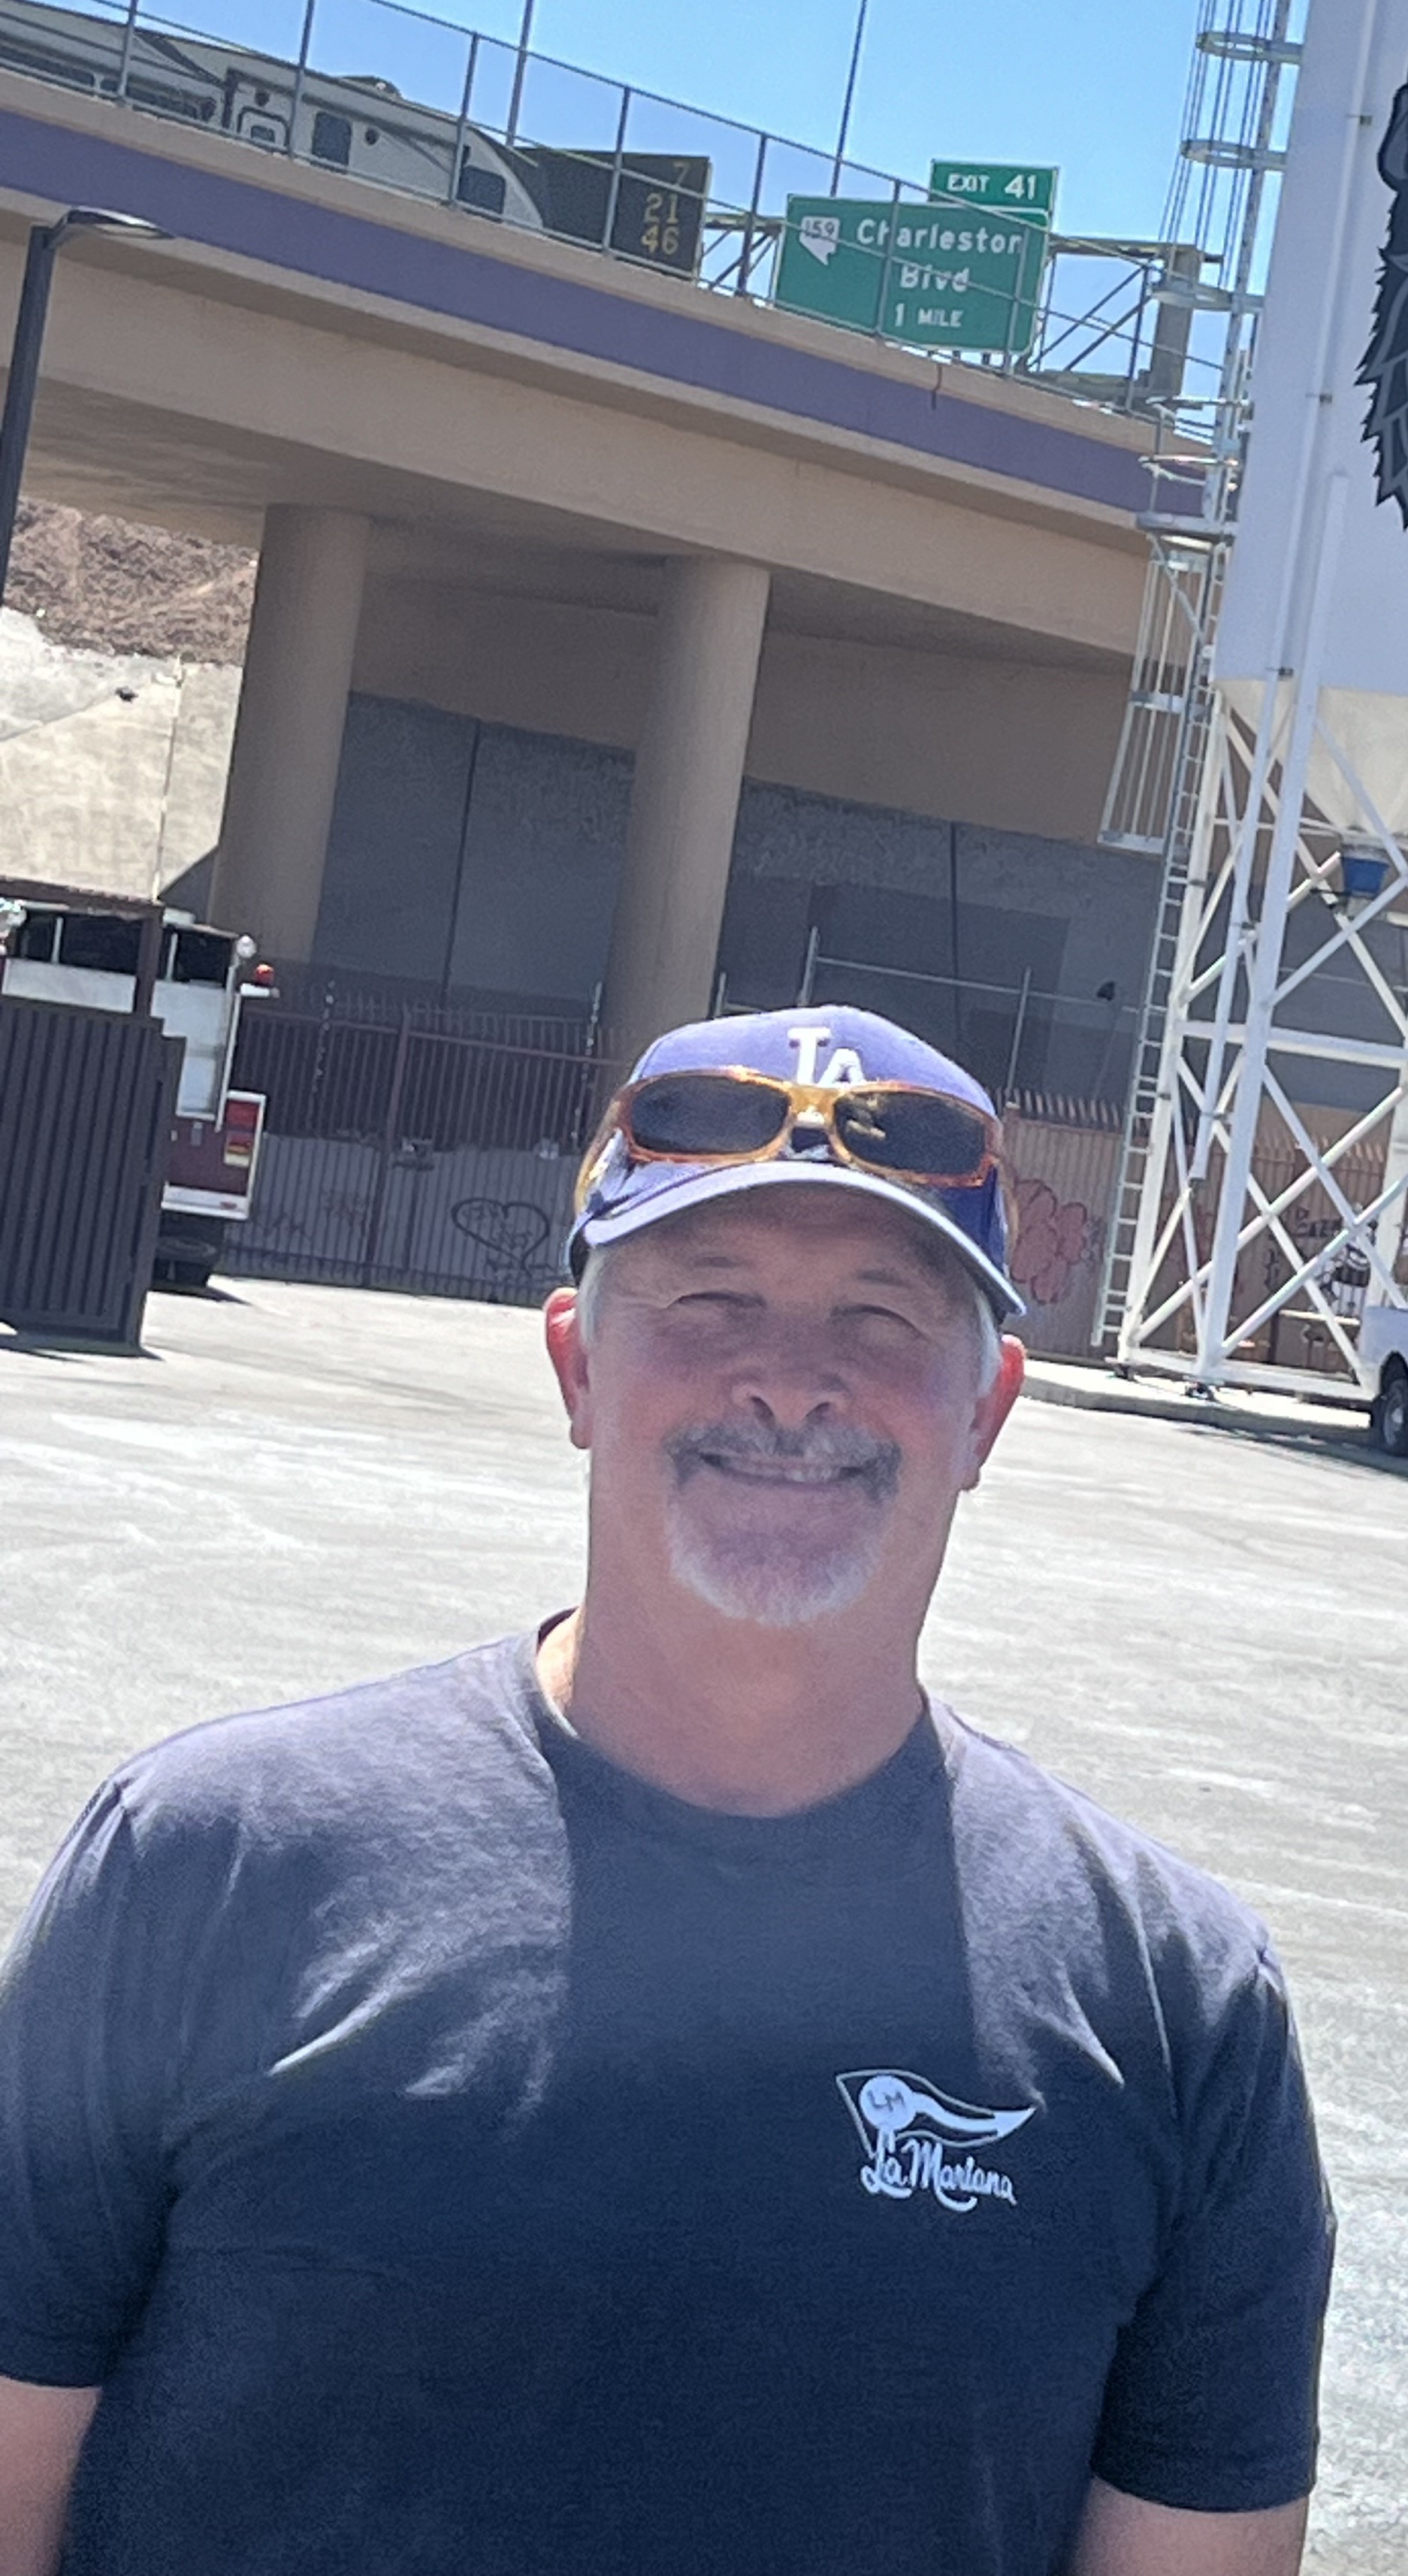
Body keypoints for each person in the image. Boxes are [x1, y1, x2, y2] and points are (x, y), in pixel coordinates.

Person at [0, 1006, 1333, 2575]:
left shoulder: (1178, 2012)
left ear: (986, 1412)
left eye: (881, 1317)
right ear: (578, 1364)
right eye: (710, 1300)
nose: (790, 1383)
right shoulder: (207, 1864)